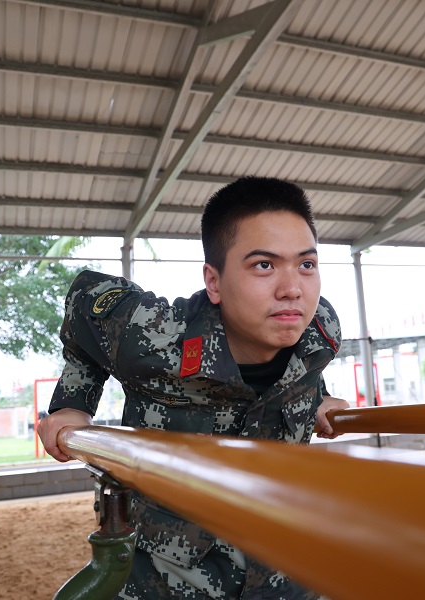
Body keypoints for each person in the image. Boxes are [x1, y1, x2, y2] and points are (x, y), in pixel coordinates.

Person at [38, 176, 348, 599]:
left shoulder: (320, 328)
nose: (293, 289)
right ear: (214, 281)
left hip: (283, 571)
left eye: (306, 264)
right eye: (264, 265)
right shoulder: (154, 337)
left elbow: (307, 362)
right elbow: (83, 301)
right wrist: (74, 403)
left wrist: (317, 395)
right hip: (171, 580)